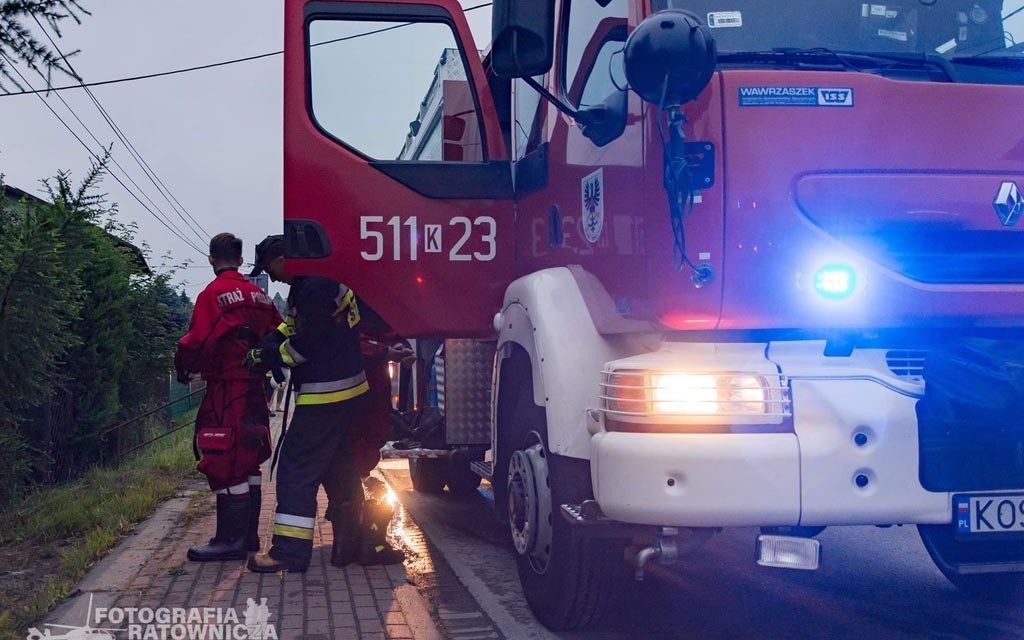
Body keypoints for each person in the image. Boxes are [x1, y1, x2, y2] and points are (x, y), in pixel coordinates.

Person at [244, 235, 369, 573]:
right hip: (342, 386)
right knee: (336, 462)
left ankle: (289, 550)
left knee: (296, 465)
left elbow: (306, 345)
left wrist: (272, 354)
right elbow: (298, 326)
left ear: (285, 258)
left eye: (271, 269)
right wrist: (274, 338)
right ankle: (352, 542)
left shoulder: (313, 286)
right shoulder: (311, 282)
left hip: (327, 388)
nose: (273, 278)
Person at [174, 233, 282, 562]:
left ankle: (231, 540)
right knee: (249, 456)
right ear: (239, 259)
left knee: (224, 456)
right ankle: (247, 537)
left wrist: (184, 366)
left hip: (227, 389)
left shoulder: (214, 294)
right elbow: (279, 332)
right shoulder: (259, 295)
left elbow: (196, 341)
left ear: (211, 259)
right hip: (255, 389)